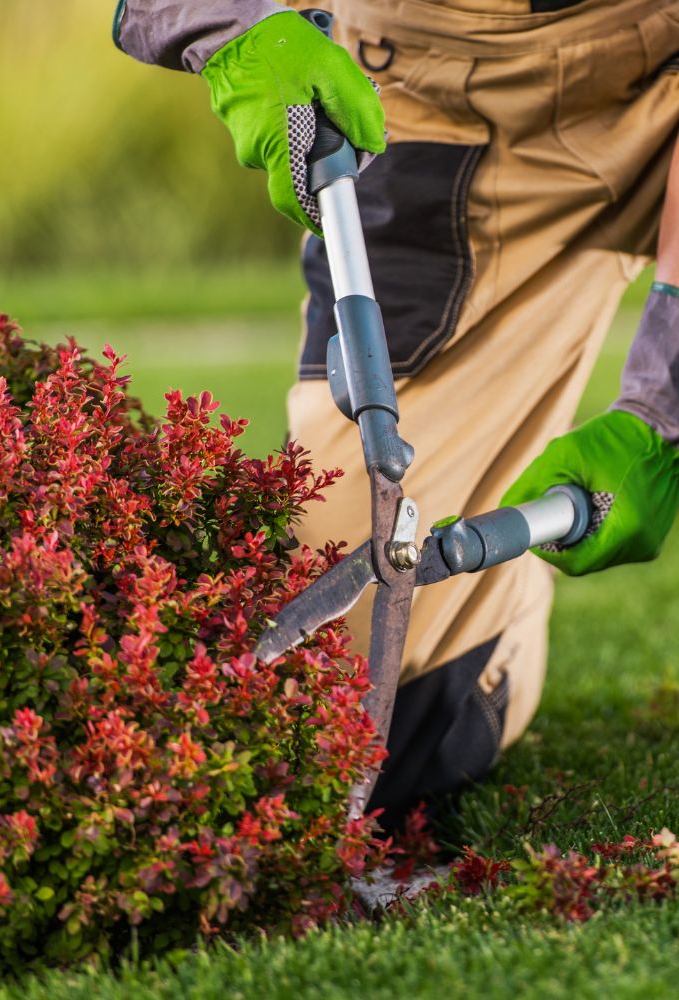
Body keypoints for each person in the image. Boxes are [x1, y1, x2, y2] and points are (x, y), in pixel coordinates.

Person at [113, 0, 679, 828]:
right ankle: (501, 620)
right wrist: (236, 32)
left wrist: (662, 407)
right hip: (449, 90)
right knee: (369, 721)